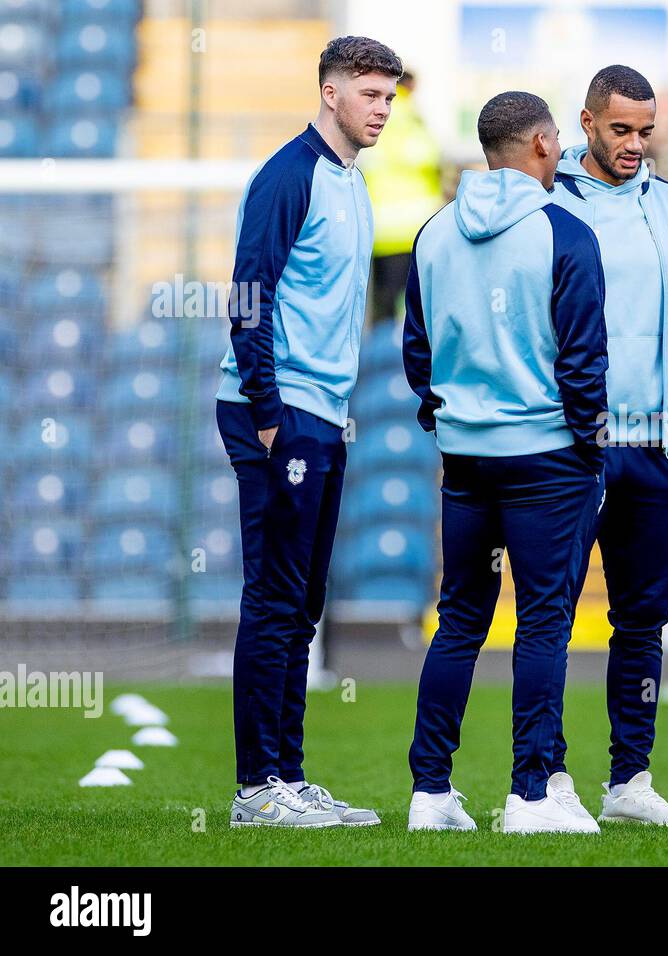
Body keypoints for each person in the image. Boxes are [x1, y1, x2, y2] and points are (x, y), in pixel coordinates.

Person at [403, 91, 609, 835]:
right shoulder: (565, 233)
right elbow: (585, 363)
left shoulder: (433, 233)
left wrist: (452, 420)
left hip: (465, 457)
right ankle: (529, 796)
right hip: (548, 459)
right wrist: (588, 448)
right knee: (544, 623)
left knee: (458, 619)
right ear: (545, 145)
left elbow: (417, 356)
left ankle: (430, 793)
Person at [218, 36, 401, 829]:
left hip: (324, 413)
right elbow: (248, 296)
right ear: (331, 93)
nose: (383, 110)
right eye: (371, 95)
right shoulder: (287, 175)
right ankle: (256, 789)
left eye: (390, 98)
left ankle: (288, 778)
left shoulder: (354, 183)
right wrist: (265, 412)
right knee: (275, 598)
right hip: (278, 412)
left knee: (304, 605)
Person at [548, 64, 668, 826]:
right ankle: (544, 776)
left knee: (642, 624)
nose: (636, 144)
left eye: (646, 130)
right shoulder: (549, 206)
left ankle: (629, 782)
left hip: (661, 448)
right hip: (579, 445)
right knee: (553, 614)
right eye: (621, 129)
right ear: (586, 123)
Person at [363, 70, 443, 324]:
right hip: (410, 228)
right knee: (414, 305)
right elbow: (430, 156)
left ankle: (378, 356)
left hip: (379, 228)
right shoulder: (410, 117)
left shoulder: (372, 117)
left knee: (381, 304)